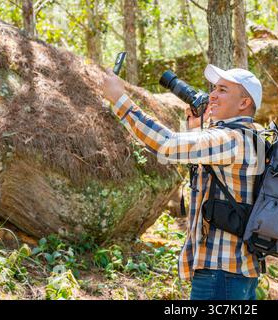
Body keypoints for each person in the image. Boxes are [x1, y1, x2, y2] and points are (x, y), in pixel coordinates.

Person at [102, 64, 263, 300]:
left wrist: (120, 100)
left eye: (223, 90)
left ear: (243, 103)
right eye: (214, 88)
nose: (212, 96)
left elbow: (166, 145)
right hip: (236, 272)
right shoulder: (251, 137)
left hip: (221, 273)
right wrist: (196, 130)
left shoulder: (231, 139)